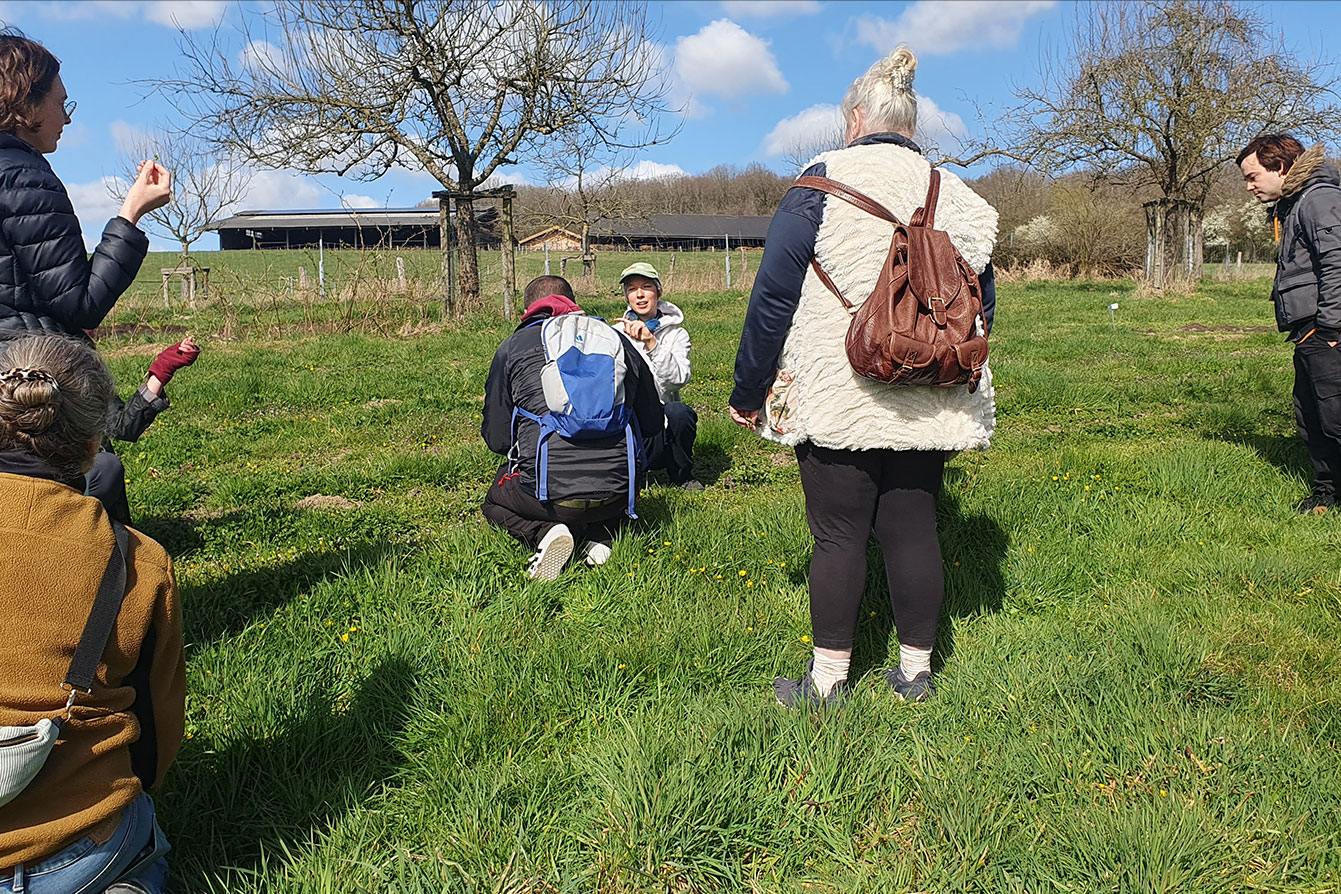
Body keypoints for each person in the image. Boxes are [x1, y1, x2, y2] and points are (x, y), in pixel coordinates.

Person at [729, 47, 999, 707]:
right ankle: (915, 674)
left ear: (854, 119)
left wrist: (749, 389)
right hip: (929, 387)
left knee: (838, 534)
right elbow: (981, 306)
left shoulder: (818, 184)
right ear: (910, 123)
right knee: (914, 528)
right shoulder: (959, 196)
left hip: (838, 390)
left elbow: (772, 299)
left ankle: (826, 684)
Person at [0, 334, 185, 893]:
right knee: (141, 847)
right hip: (77, 850)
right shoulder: (137, 560)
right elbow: (157, 730)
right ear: (94, 444)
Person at [0, 29, 183, 524]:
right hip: (24, 378)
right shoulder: (23, 176)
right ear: (25, 104)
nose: (67, 117)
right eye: (61, 103)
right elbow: (80, 302)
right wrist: (131, 215)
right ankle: (110, 570)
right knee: (93, 477)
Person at [482, 275, 664, 580]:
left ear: (527, 310)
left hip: (545, 496)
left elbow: (497, 439)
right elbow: (653, 423)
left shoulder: (513, 347)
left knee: (493, 502)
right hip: (618, 493)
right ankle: (601, 534)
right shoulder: (616, 340)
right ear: (573, 303)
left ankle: (545, 531)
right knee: (603, 492)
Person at [1238, 135, 1341, 515]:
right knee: (1311, 416)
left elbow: (1337, 264)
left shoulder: (1319, 200)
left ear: (1280, 167)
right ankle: (1328, 493)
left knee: (1335, 416)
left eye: (1252, 177)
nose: (1249, 187)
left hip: (1325, 330)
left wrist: (1330, 329)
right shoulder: (1295, 204)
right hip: (1308, 331)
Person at [615, 262, 702, 491]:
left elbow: (678, 379)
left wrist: (651, 343)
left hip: (661, 420)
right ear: (626, 296)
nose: (640, 294)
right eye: (632, 289)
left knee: (680, 413)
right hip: (629, 418)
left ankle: (681, 475)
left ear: (658, 292)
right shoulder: (616, 334)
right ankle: (627, 474)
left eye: (646, 287)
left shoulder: (677, 334)